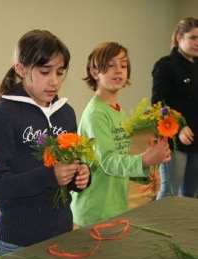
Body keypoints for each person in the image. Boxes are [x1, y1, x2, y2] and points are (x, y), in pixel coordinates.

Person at [0, 29, 91, 256]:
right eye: (44, 71)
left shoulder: (66, 113)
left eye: (60, 73)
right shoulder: (4, 115)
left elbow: (68, 170)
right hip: (17, 243)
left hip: (61, 234)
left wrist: (80, 176)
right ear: (21, 68)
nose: (54, 81)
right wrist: (49, 176)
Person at [70, 42, 171, 227]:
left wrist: (141, 174)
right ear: (94, 73)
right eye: (110, 65)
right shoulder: (96, 114)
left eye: (123, 65)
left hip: (115, 204)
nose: (118, 70)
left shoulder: (118, 111)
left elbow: (119, 158)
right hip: (96, 207)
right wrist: (144, 161)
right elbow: (108, 162)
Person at [151, 17, 198, 199]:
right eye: (193, 37)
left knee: (190, 196)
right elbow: (158, 105)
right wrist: (178, 127)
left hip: (197, 141)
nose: (197, 43)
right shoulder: (165, 66)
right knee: (168, 195)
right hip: (175, 143)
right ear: (179, 38)